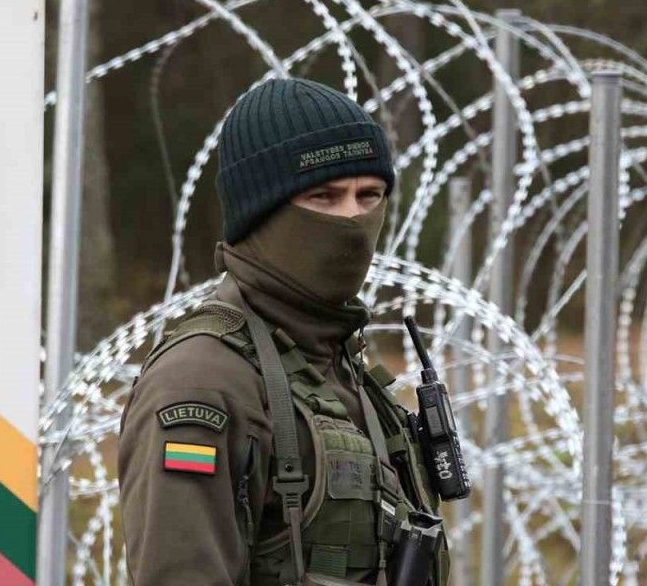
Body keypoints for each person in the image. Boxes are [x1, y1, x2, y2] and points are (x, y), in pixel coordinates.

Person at [119, 77, 451, 586]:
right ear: (261, 212)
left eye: (369, 195)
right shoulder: (203, 380)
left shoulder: (341, 365)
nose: (352, 217)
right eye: (324, 196)